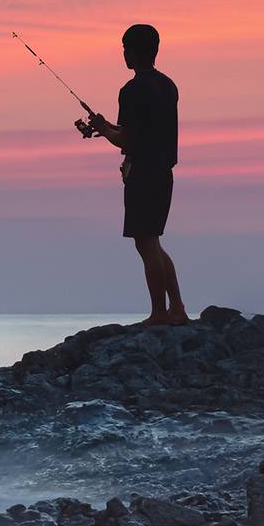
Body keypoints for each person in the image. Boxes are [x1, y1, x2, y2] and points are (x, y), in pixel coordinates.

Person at [87, 24, 188, 325]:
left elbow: (127, 140)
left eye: (124, 47)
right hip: (163, 172)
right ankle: (178, 309)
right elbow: (142, 132)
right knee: (152, 240)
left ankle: (159, 313)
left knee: (145, 242)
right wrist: (107, 127)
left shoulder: (131, 90)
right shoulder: (168, 85)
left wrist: (105, 131)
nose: (123, 53)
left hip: (142, 172)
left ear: (131, 51)